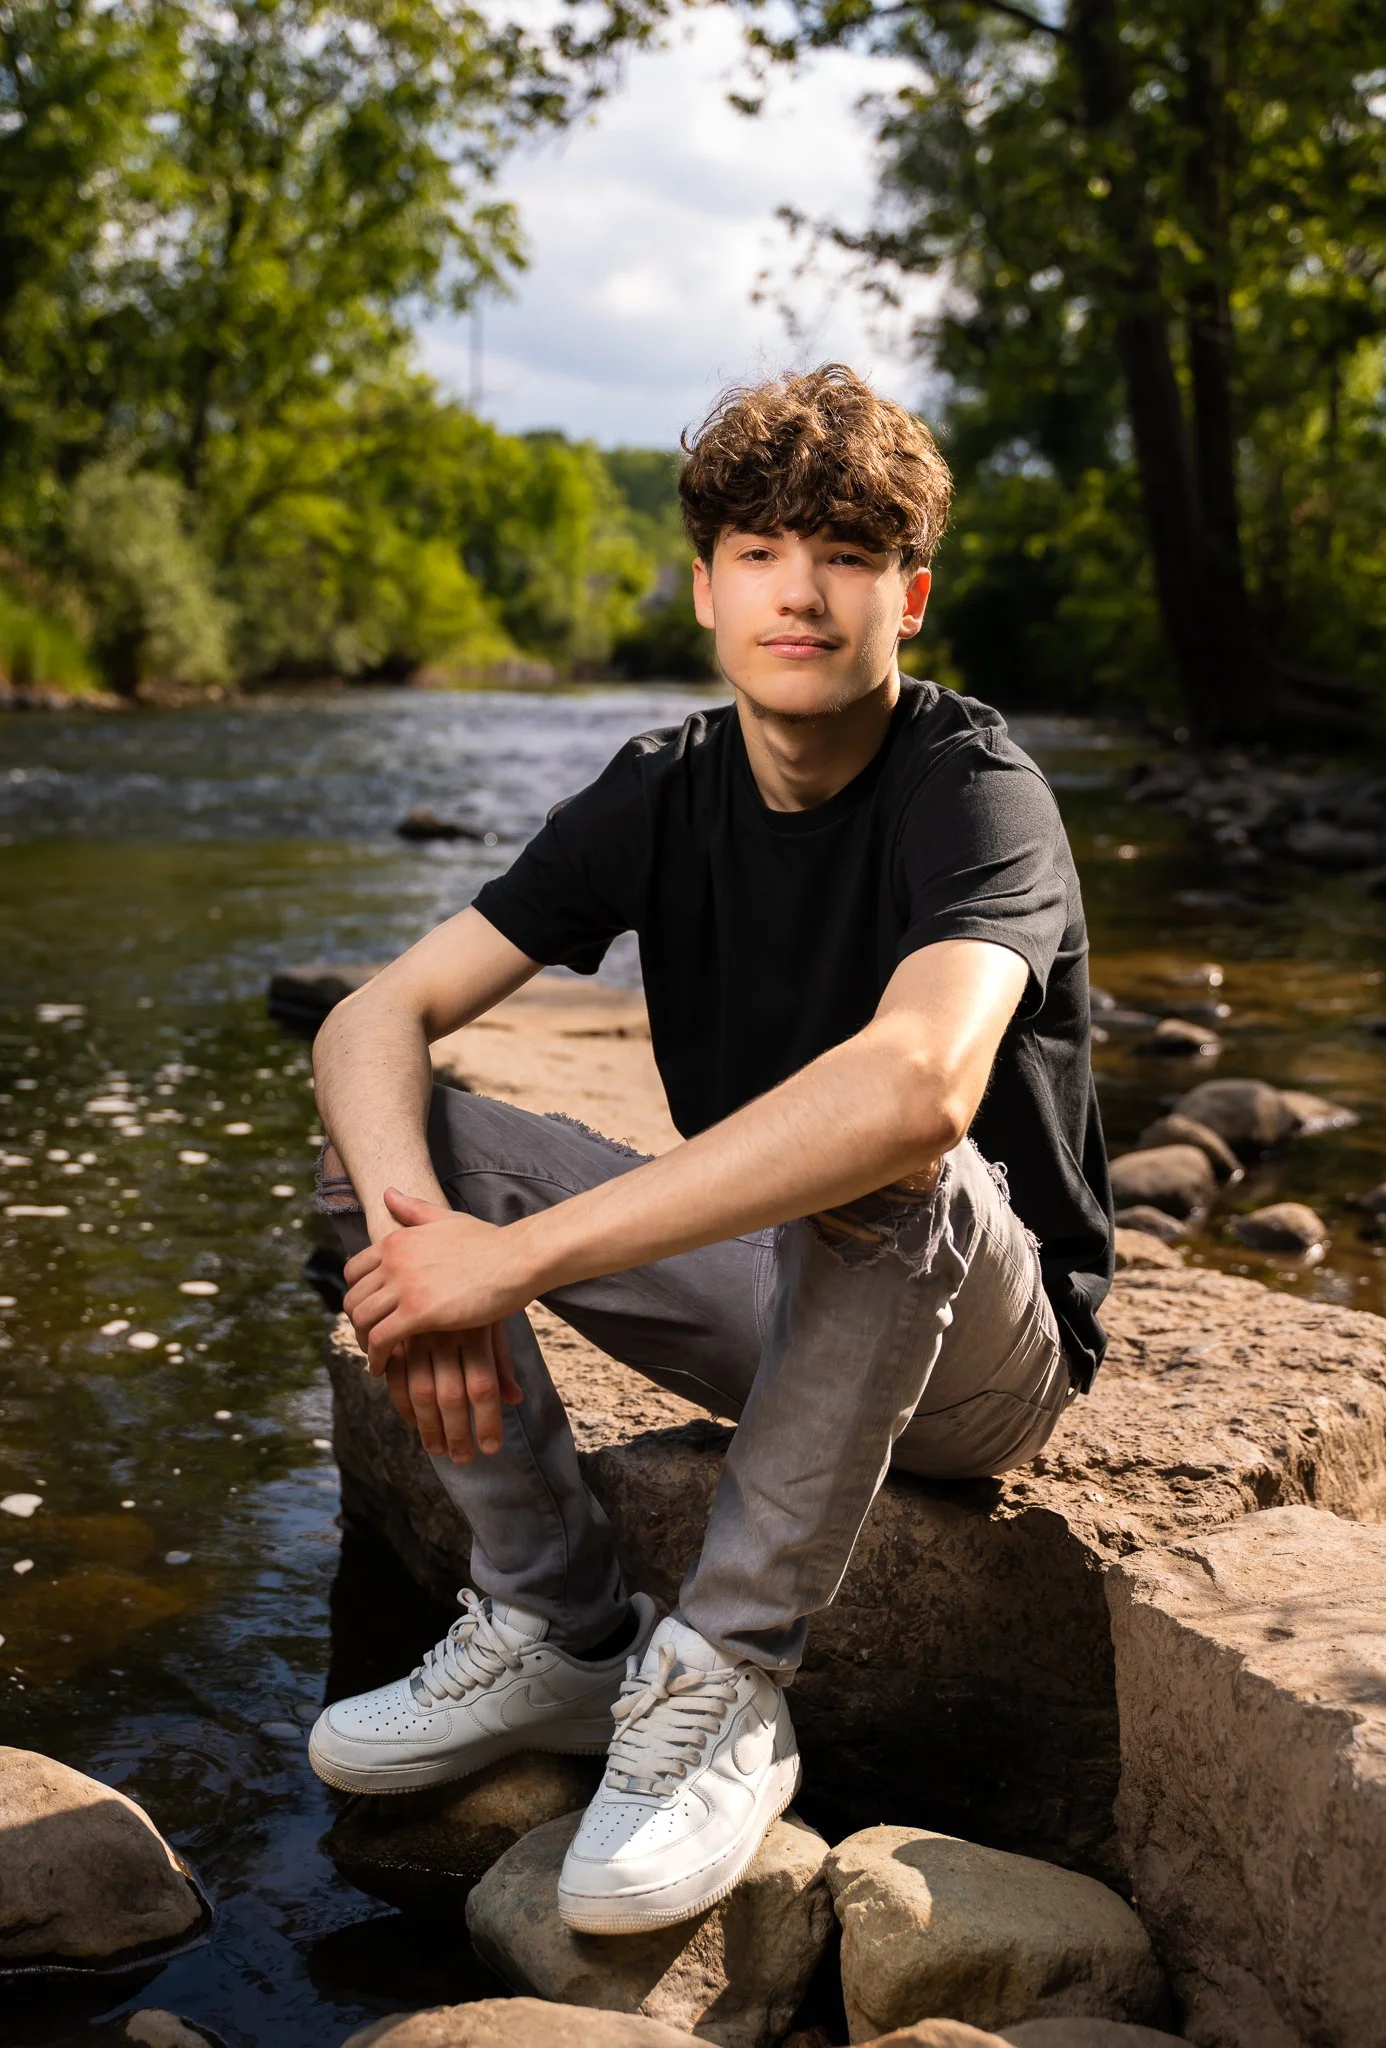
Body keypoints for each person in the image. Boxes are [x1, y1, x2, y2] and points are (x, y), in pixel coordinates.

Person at [306, 364, 1112, 1936]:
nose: (797, 592)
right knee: (397, 1150)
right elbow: (371, 1017)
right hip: (773, 1294)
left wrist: (513, 1263)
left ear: (908, 595)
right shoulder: (663, 789)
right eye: (758, 552)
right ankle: (557, 1628)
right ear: (704, 588)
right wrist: (427, 1244)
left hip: (977, 1354)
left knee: (884, 1153)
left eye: (846, 554)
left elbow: (916, 1092)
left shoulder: (974, 791)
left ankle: (727, 1680)